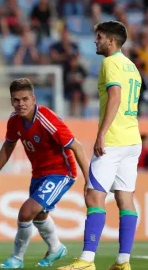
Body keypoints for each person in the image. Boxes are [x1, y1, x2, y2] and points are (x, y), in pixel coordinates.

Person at [58, 21, 142, 270]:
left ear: (111, 41)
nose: (95, 41)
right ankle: (123, 262)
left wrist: (101, 134)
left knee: (94, 195)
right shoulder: (132, 67)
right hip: (132, 140)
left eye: (99, 37)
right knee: (125, 199)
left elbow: (115, 97)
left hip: (114, 141)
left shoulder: (110, 63)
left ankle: (86, 260)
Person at [0, 78, 90, 269]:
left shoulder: (47, 119)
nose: (21, 104)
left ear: (34, 99)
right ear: (11, 101)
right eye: (16, 100)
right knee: (40, 216)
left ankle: (16, 258)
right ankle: (56, 247)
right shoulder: (14, 120)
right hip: (39, 174)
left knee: (26, 212)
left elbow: (78, 147)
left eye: (25, 99)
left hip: (61, 172)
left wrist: (88, 182)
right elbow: (8, 146)